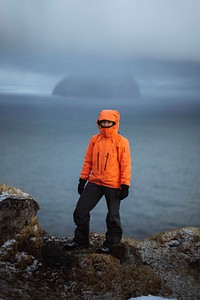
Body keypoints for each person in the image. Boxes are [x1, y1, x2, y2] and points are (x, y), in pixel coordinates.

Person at [65, 109, 131, 253]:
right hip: (94, 182)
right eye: (103, 122)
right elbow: (87, 160)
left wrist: (125, 185)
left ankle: (111, 244)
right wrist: (82, 180)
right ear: (99, 123)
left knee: (112, 216)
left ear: (115, 123)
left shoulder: (122, 142)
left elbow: (125, 164)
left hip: (113, 184)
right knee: (80, 211)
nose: (106, 124)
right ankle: (81, 241)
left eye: (108, 122)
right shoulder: (95, 139)